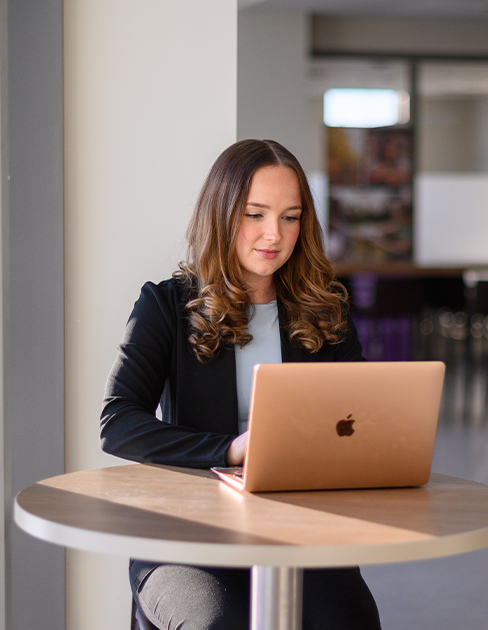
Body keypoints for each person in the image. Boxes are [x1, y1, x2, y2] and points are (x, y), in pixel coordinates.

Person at [100, 139, 382, 630]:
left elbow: (357, 422)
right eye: (255, 214)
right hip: (189, 537)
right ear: (222, 213)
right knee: (219, 624)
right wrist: (232, 449)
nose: (274, 234)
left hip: (298, 530)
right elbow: (118, 423)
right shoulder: (166, 306)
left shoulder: (326, 311)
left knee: (350, 620)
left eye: (291, 217)